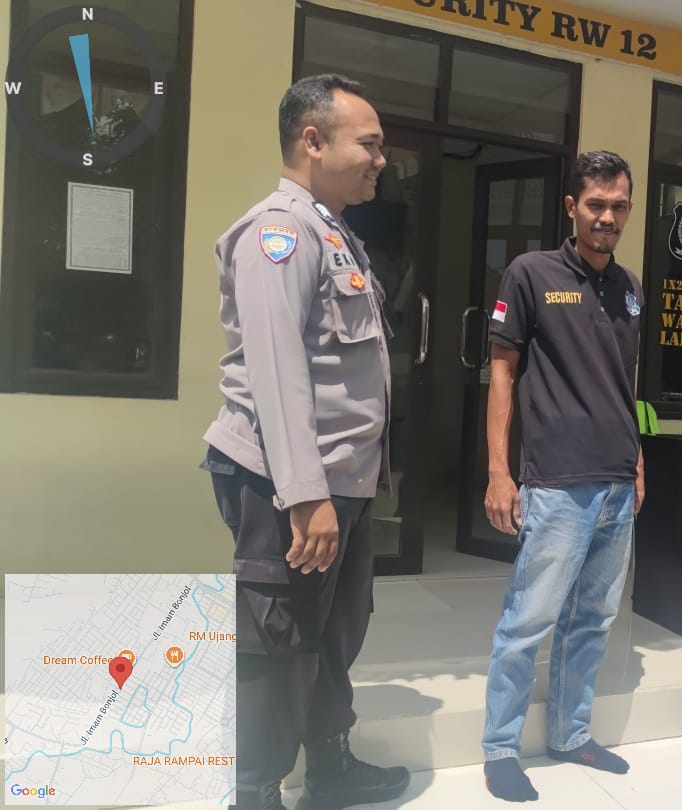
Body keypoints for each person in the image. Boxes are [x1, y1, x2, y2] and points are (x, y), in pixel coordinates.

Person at [201, 74, 409, 810]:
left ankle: (330, 764)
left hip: (340, 481)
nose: (382, 160)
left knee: (335, 632)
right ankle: (254, 792)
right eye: (370, 144)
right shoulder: (278, 234)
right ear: (313, 141)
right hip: (290, 483)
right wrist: (304, 494)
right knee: (278, 642)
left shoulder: (334, 233)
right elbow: (277, 369)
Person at [480, 150, 645, 802]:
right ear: (572, 207)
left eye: (619, 206)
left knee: (594, 620)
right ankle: (500, 749)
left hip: (617, 481)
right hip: (555, 482)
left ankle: (571, 734)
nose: (608, 217)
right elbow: (502, 373)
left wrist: (637, 458)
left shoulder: (630, 287)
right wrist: (499, 471)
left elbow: (623, 383)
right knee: (529, 621)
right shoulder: (531, 273)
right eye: (596, 205)